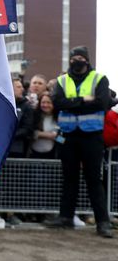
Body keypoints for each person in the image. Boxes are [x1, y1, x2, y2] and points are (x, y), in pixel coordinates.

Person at [46, 46, 113, 238]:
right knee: (69, 178)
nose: (77, 61)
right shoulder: (61, 80)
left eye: (80, 58)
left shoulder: (100, 79)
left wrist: (72, 103)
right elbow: (58, 103)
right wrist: (84, 100)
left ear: (87, 60)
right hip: (68, 136)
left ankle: (103, 222)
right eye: (74, 58)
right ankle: (65, 217)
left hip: (92, 136)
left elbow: (101, 103)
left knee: (94, 179)